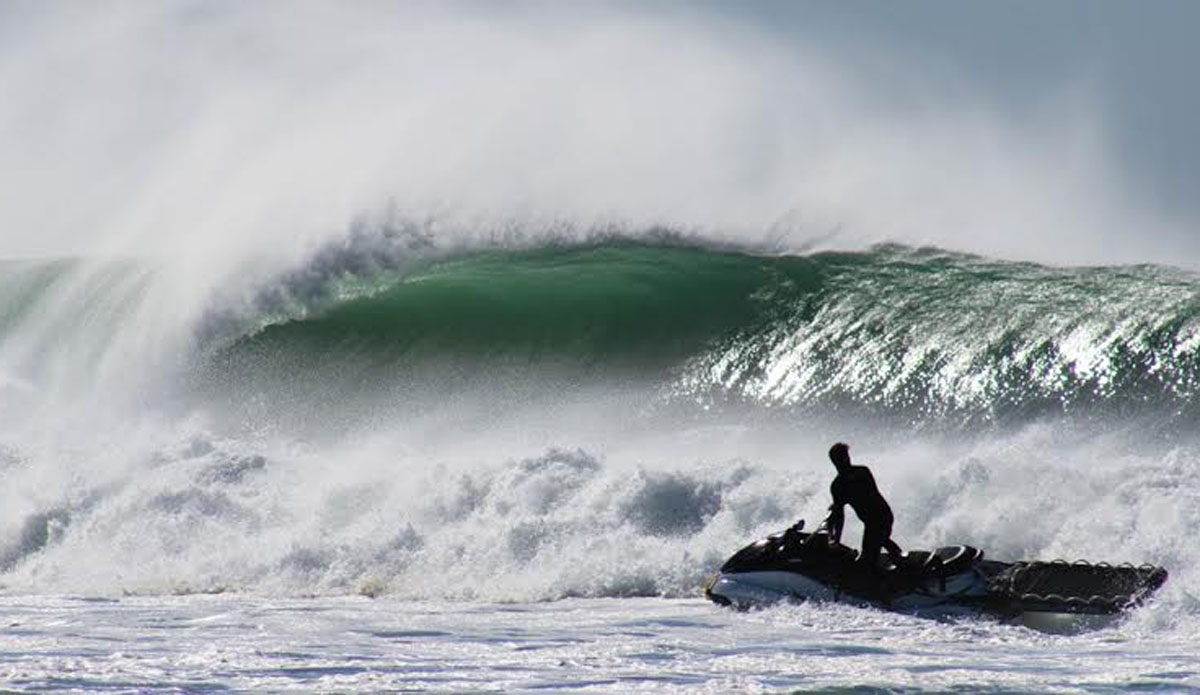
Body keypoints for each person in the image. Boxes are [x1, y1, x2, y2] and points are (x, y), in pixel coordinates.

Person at [824, 442, 903, 570]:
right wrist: (836, 540)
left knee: (870, 555)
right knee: (877, 542)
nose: (846, 460)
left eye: (847, 456)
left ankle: (904, 569)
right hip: (870, 523)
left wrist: (840, 501)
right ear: (834, 461)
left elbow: (866, 494)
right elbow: (839, 514)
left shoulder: (861, 472)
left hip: (882, 516)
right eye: (842, 458)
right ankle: (897, 560)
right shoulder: (837, 485)